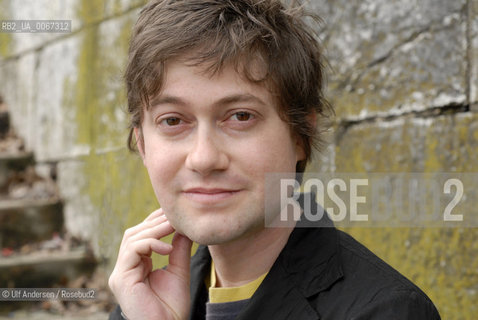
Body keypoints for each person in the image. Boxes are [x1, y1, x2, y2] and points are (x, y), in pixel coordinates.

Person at [108, 0, 441, 319]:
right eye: (173, 120)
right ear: (143, 144)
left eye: (240, 116)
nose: (204, 158)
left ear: (300, 135)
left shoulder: (387, 311)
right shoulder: (146, 302)